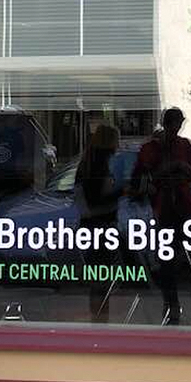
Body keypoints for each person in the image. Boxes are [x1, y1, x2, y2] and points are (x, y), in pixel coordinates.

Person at [130, 107, 191, 325]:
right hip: (165, 208)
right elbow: (140, 179)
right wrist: (170, 169)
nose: (176, 128)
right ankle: (173, 308)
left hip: (184, 208)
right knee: (168, 263)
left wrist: (183, 169)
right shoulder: (152, 148)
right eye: (175, 124)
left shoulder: (184, 146)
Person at [75, 124, 122, 322]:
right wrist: (121, 192)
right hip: (101, 227)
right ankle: (101, 321)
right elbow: (98, 200)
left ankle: (99, 319)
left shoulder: (86, 163)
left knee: (98, 278)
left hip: (89, 226)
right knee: (102, 279)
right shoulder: (99, 165)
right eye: (116, 140)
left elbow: (82, 198)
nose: (118, 145)